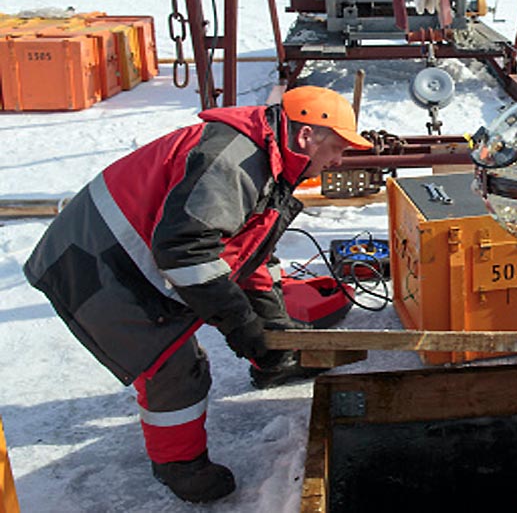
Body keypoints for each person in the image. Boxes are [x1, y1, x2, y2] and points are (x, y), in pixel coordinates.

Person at [22, 86, 372, 503]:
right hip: (97, 265)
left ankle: (272, 365)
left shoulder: (269, 158)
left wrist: (273, 335)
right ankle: (180, 467)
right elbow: (186, 251)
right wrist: (241, 326)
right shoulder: (235, 161)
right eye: (337, 148)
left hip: (121, 255)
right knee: (176, 367)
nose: (338, 161)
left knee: (228, 327)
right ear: (306, 136)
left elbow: (247, 255)